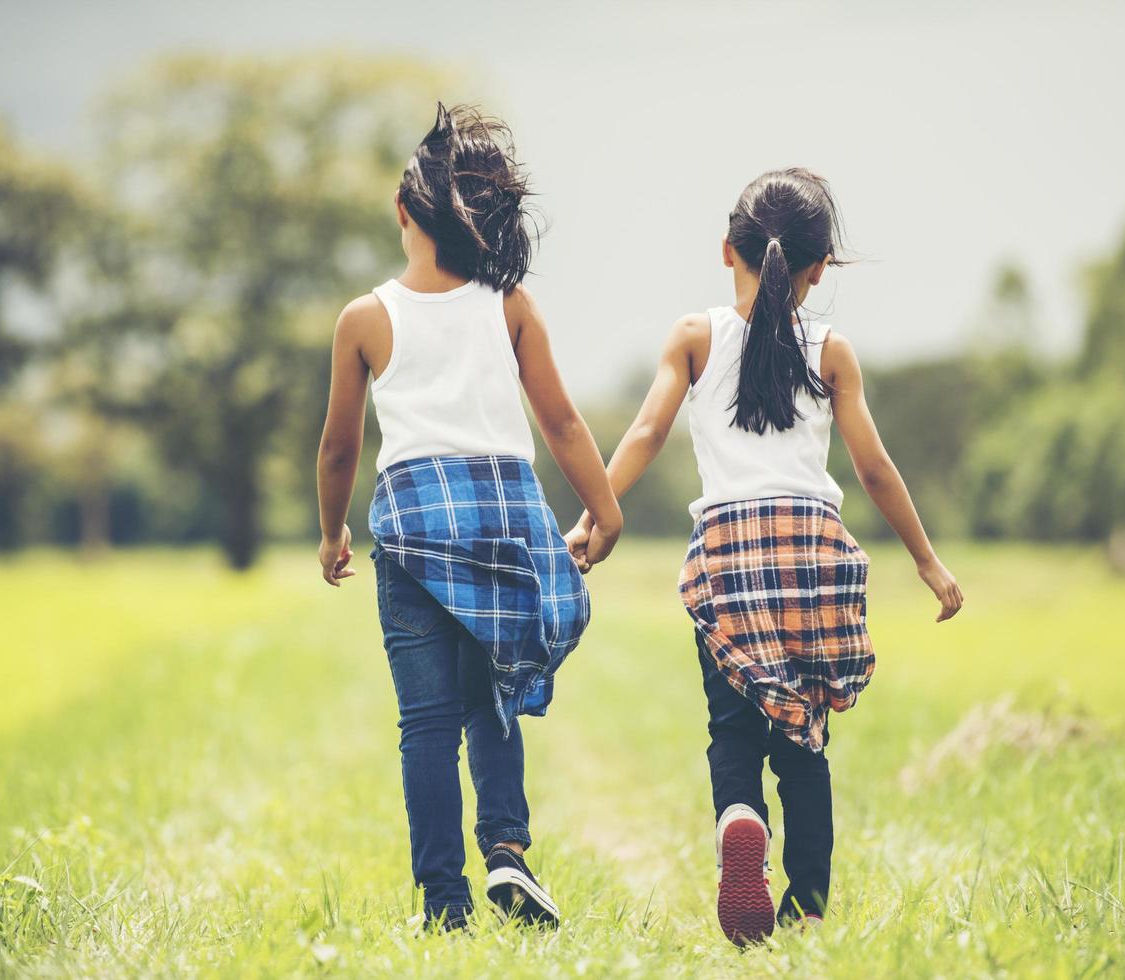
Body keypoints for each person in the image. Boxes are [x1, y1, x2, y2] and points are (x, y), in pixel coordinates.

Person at [565, 168, 963, 945]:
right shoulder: (832, 350)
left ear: (727, 252)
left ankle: (739, 818)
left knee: (731, 725)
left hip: (731, 549)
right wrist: (925, 559)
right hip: (811, 552)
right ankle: (807, 905)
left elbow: (644, 434)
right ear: (818, 268)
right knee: (804, 737)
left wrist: (595, 517)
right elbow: (873, 467)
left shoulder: (693, 336)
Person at [316, 103, 622, 931]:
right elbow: (560, 422)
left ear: (405, 211)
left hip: (413, 523)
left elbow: (341, 447)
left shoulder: (365, 318)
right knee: (493, 696)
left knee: (425, 723)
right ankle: (507, 853)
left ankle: (444, 904)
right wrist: (604, 508)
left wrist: (333, 530)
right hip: (504, 520)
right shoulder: (508, 303)